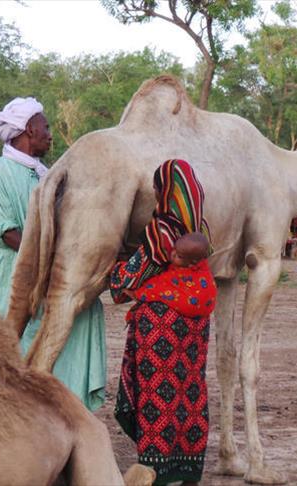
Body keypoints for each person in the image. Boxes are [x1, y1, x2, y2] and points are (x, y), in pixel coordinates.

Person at [0, 97, 106, 411]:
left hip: (40, 276)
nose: (50, 134)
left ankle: (60, 410)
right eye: (45, 127)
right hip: (4, 282)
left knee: (85, 312)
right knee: (3, 351)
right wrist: (57, 261)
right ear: (29, 130)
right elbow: (8, 233)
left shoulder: (46, 175)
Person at [109, 159, 214, 486]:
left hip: (160, 327)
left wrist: (116, 269)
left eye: (157, 188)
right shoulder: (200, 229)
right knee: (189, 390)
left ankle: (155, 467)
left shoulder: (162, 231)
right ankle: (188, 466)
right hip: (195, 326)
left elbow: (129, 280)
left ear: (164, 191)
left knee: (158, 395)